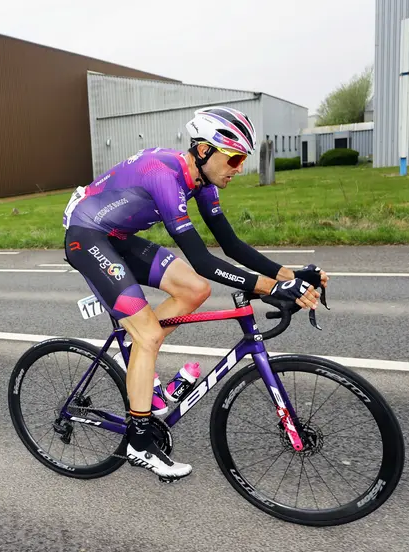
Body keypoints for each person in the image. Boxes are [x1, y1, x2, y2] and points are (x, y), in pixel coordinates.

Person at [62, 106, 328, 481]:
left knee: (195, 290)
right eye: (233, 158)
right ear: (203, 151)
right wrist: (270, 287)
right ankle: (139, 443)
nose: (238, 168)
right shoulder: (165, 176)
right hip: (86, 236)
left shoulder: (201, 183)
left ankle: (139, 355)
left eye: (242, 159)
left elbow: (231, 245)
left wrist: (290, 274)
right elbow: (203, 259)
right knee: (151, 333)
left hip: (117, 238)